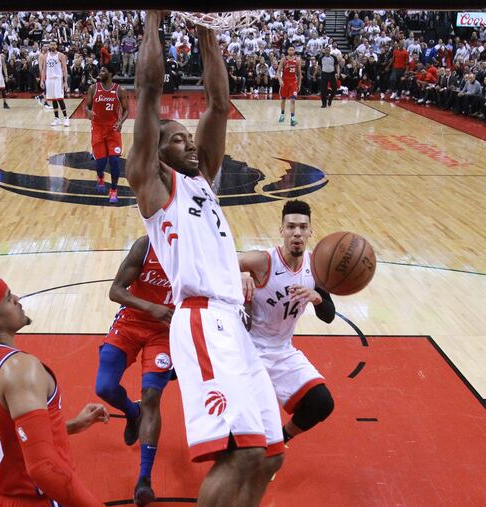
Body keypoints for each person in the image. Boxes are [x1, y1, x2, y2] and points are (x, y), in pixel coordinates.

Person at [125, 11, 284, 506]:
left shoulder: (201, 179)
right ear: (157, 151)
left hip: (232, 322)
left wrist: (207, 27)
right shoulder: (152, 185)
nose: (189, 142)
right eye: (177, 138)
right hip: (200, 318)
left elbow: (219, 103)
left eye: (189, 138)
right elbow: (149, 91)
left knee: (270, 454)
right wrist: (154, 17)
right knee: (236, 454)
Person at [0, 275, 107, 506]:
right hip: (35, 499)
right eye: (7, 299)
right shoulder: (19, 368)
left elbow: (12, 435)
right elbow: (43, 469)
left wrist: (72, 426)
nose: (17, 299)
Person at [239, 200, 336, 449]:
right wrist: (239, 273)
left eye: (303, 227)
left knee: (321, 402)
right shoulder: (263, 261)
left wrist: (316, 298)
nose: (297, 233)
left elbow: (328, 315)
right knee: (254, 421)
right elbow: (219, 263)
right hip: (250, 350)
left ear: (310, 232)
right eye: (291, 226)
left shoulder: (315, 267)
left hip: (282, 350)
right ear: (281, 230)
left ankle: (282, 440)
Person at [94, 236, 175, 505]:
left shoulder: (199, 248)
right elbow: (116, 291)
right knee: (103, 387)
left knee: (152, 395)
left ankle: (144, 479)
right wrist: (150, 307)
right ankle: (132, 411)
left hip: (164, 332)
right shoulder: (146, 245)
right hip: (131, 321)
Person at [85, 64, 129, 203]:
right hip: (97, 129)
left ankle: (114, 190)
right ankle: (100, 176)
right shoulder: (93, 88)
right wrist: (88, 111)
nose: (100, 72)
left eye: (103, 70)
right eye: (101, 70)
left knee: (115, 161)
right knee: (101, 163)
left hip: (113, 130)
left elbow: (126, 110)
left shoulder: (120, 90)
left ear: (110, 74)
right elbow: (87, 105)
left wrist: (121, 122)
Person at [39, 40, 70, 126]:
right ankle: (57, 118)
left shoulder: (61, 55)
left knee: (60, 98)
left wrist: (65, 81)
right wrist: (42, 80)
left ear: (56, 46)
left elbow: (65, 69)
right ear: (49, 45)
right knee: (53, 99)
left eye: (54, 44)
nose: (52, 46)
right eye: (51, 44)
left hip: (58, 79)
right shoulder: (46, 56)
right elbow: (44, 69)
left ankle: (66, 118)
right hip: (49, 79)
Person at [278, 46, 302, 125]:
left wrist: (299, 84)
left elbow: (299, 73)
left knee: (293, 100)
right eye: (290, 49)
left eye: (292, 50)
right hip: (285, 82)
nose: (291, 51)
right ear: (287, 51)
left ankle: (292, 119)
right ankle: (282, 114)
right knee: (283, 100)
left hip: (293, 83)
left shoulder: (297, 60)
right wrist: (280, 80)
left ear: (294, 51)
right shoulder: (283, 60)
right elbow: (278, 72)